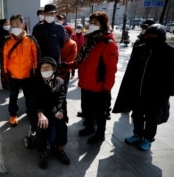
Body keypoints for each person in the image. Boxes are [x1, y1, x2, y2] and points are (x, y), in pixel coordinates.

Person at [112, 24, 174, 151]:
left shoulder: (169, 52)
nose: (150, 38)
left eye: (154, 35)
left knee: (151, 119)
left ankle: (148, 139)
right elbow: (131, 72)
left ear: (161, 36)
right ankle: (137, 134)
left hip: (156, 96)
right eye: (148, 35)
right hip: (138, 93)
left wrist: (168, 92)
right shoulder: (141, 49)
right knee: (137, 116)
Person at [66, 11, 119, 143]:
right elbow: (80, 61)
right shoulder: (89, 40)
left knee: (100, 113)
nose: (91, 25)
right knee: (87, 109)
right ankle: (90, 127)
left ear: (103, 25)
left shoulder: (108, 43)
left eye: (95, 23)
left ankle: (100, 134)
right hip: (86, 83)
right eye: (91, 22)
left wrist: (106, 89)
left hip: (99, 87)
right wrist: (65, 65)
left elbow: (111, 70)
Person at [31, 56, 70, 169]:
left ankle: (60, 149)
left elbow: (62, 98)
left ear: (54, 69)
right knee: (42, 125)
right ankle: (42, 152)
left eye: (48, 67)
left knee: (61, 124)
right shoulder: (35, 82)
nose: (45, 70)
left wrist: (61, 110)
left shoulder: (60, 81)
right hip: (39, 111)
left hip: (54, 109)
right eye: (43, 68)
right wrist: (40, 114)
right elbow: (33, 100)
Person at [2, 14, 39, 127]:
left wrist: (36, 71)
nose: (15, 27)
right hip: (14, 75)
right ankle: (13, 115)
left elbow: (36, 56)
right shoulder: (8, 42)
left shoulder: (31, 40)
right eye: (13, 25)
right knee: (13, 97)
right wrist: (6, 72)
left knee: (29, 96)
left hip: (28, 75)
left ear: (23, 25)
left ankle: (30, 112)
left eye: (18, 24)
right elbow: (5, 58)